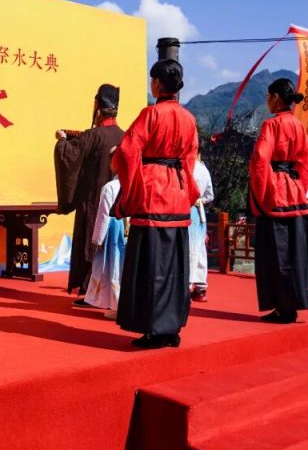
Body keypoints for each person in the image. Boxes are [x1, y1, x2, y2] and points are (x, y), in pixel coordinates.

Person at [112, 59, 199, 348]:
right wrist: (187, 190)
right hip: (177, 192)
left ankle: (153, 328)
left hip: (152, 193)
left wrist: (130, 192)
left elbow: (127, 153)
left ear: (158, 84)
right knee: (174, 267)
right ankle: (171, 327)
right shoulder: (188, 119)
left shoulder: (150, 114)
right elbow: (189, 160)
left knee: (150, 266)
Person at [249, 78, 308, 324]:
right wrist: (298, 184)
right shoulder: (298, 125)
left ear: (275, 98)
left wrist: (262, 195)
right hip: (293, 191)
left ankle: (283, 307)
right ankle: (295, 301)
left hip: (274, 191)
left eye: (268, 96)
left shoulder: (271, 125)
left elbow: (260, 161)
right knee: (295, 251)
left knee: (276, 253)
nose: (267, 101)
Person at [54, 84, 125, 297]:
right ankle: (109, 294)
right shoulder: (124, 136)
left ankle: (89, 292)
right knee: (114, 249)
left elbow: (70, 155)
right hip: (119, 206)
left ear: (98, 107)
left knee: (91, 245)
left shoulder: (94, 135)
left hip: (93, 202)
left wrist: (61, 140)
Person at [82, 151, 124, 319]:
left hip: (114, 231)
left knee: (114, 268)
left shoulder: (110, 187)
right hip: (130, 231)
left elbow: (104, 214)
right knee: (125, 268)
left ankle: (118, 306)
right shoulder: (135, 183)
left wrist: (98, 239)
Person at [188, 152, 214, 302]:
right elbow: (210, 195)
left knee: (190, 250)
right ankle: (201, 287)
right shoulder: (204, 170)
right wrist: (200, 200)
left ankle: (187, 287)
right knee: (200, 250)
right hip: (200, 211)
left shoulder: (187, 166)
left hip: (188, 209)